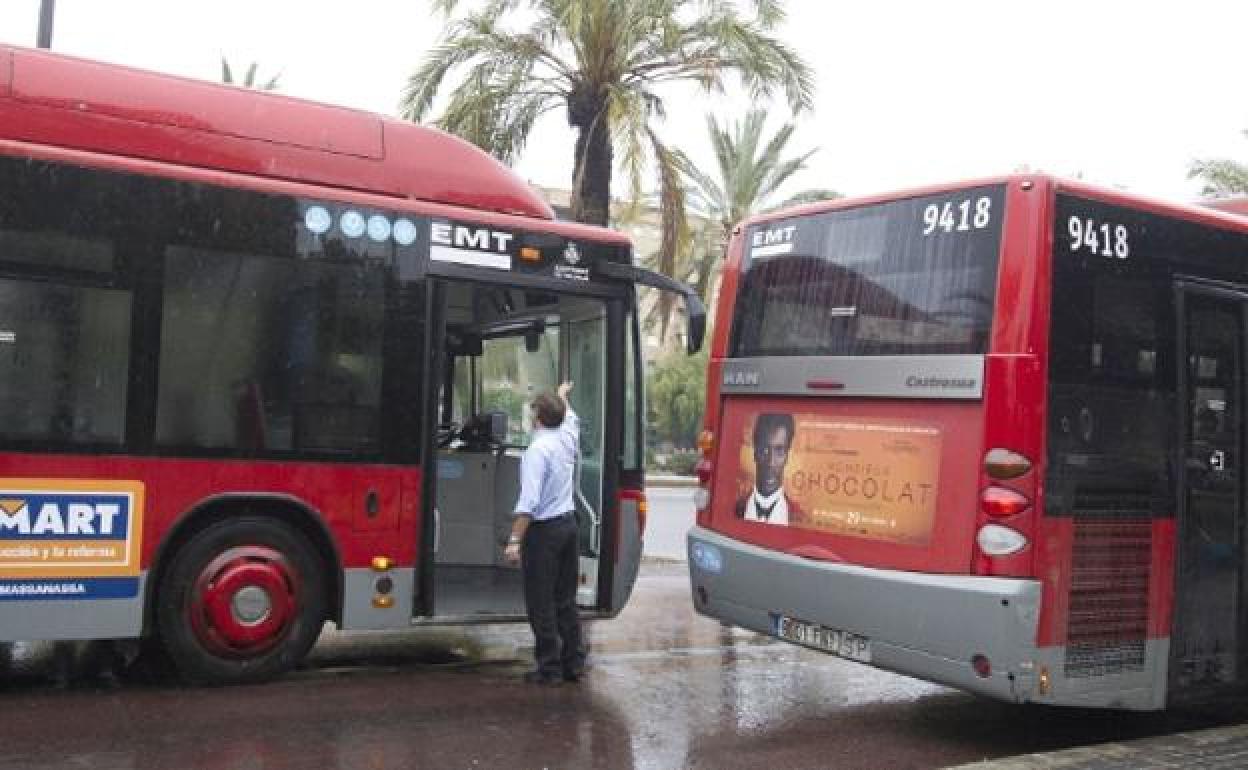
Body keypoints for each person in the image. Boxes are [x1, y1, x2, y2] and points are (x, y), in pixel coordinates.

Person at [503, 381, 587, 685]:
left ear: (538, 417)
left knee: (541, 601)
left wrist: (514, 541)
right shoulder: (566, 439)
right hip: (569, 527)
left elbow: (529, 502)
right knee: (565, 599)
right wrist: (563, 396)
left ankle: (549, 667)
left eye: (532, 411)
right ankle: (573, 663)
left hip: (545, 533)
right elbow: (571, 418)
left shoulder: (537, 451)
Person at [735, 412, 800, 524]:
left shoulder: (799, 517)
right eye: (764, 449)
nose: (770, 462)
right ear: (755, 453)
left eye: (779, 451)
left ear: (787, 456)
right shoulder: (736, 508)